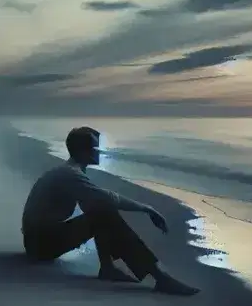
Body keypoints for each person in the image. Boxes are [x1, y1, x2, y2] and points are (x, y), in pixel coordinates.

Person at [21, 126, 200, 296]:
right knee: (103, 210)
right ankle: (160, 278)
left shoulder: (69, 172)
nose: (99, 152)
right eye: (95, 148)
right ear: (83, 151)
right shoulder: (70, 174)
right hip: (40, 244)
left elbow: (94, 205)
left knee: (99, 210)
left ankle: (108, 268)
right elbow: (108, 198)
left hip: (37, 241)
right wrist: (148, 209)